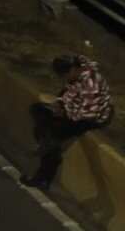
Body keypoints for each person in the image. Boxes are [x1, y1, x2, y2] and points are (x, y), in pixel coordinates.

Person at [25, 53, 113, 189]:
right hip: (72, 110)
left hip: (90, 118)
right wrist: (60, 103)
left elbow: (86, 113)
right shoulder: (76, 71)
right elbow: (67, 92)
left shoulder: (91, 84)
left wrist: (64, 113)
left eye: (65, 75)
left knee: (52, 135)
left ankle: (43, 177)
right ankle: (50, 151)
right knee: (38, 110)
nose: (64, 78)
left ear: (72, 70)